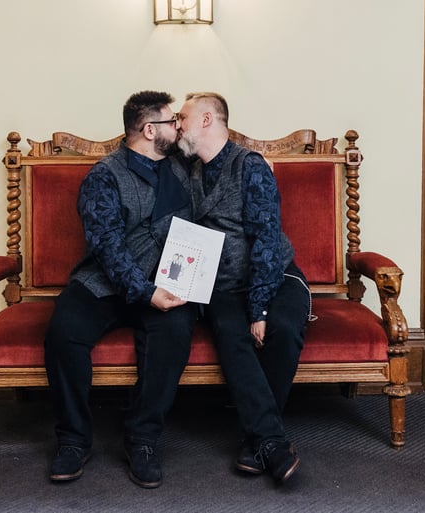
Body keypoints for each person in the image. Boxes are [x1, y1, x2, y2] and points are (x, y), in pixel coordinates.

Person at [44, 90, 196, 489]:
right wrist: (145, 293)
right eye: (170, 122)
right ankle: (74, 439)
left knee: (176, 332)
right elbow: (107, 248)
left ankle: (142, 438)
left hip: (167, 280)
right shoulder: (103, 177)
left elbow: (221, 160)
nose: (178, 127)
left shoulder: (181, 165)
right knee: (64, 331)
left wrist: (258, 165)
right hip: (107, 282)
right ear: (149, 130)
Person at [176, 92, 311, 483]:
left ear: (206, 120)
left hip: (275, 275)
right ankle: (270, 441)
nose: (178, 124)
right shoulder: (188, 166)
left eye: (183, 117)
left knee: (282, 330)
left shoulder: (250, 167)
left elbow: (267, 240)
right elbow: (150, 144)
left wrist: (261, 309)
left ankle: (255, 440)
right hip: (221, 286)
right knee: (232, 335)